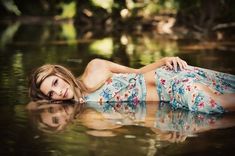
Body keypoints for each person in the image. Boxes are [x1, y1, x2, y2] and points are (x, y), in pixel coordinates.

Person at [29, 57, 235, 114]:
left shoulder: (96, 67)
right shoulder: (82, 108)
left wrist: (165, 59)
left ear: (60, 73)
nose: (58, 91)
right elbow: (30, 107)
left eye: (55, 82)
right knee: (215, 107)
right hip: (170, 98)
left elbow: (137, 73)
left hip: (168, 79)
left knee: (209, 103)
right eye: (51, 93)